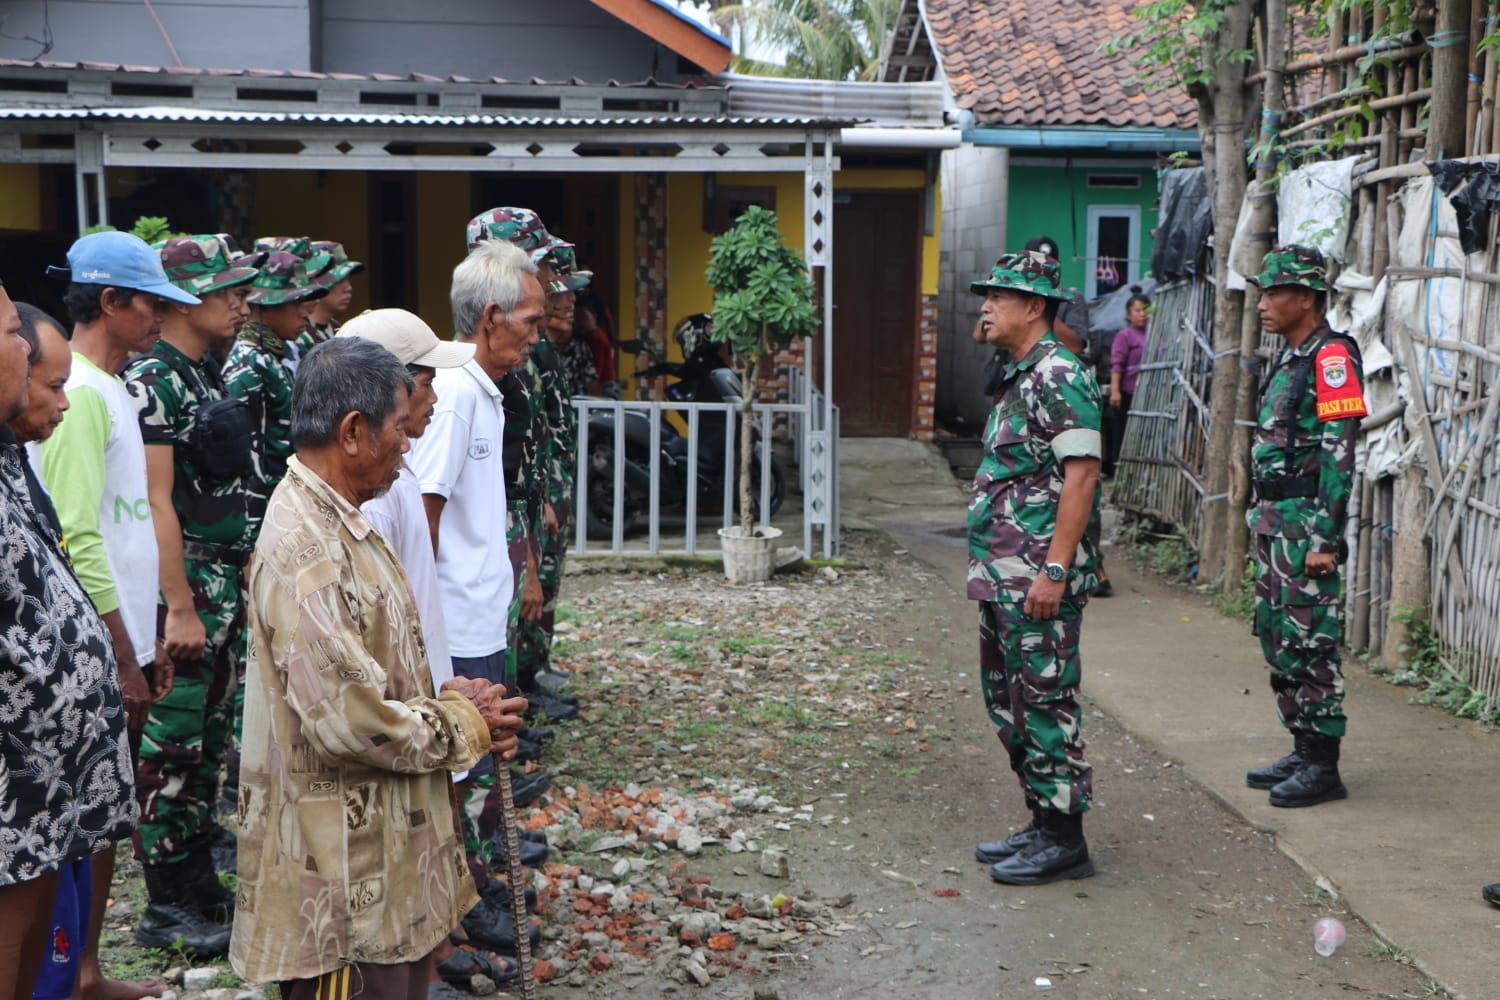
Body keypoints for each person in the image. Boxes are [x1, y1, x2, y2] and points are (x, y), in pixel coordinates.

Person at [229, 336, 526, 993]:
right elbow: (350, 722)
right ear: (354, 432)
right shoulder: (306, 550)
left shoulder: (347, 520)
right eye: (400, 426)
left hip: (385, 861)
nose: (409, 442)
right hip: (341, 885)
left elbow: (374, 670)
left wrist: (449, 694)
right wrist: (462, 723)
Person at [37, 234, 195, 960]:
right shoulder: (82, 397)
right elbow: (77, 535)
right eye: (152, 302)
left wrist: (152, 633)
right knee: (90, 815)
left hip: (125, 634)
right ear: (109, 302)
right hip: (98, 644)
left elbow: (126, 523)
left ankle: (89, 965)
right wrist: (123, 653)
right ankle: (75, 966)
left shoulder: (111, 388)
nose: (162, 316)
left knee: (110, 813)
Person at [121, 236, 262, 955]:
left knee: (206, 749)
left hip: (218, 587)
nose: (242, 303)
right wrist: (177, 604)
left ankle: (199, 882)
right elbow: (154, 501)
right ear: (185, 297)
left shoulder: (202, 374)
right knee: (171, 750)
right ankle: (166, 903)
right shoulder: (154, 379)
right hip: (185, 593)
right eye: (227, 290)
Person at [0, 279, 137, 1000]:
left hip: (44, 788)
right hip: (13, 793)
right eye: (9, 333)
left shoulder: (11, 459)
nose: (20, 344)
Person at [966, 250, 1103, 886]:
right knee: (1009, 701)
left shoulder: (1060, 374)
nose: (986, 305)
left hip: (1034, 574)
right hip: (1005, 571)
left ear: (1035, 307)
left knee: (1046, 701)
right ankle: (1042, 819)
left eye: (1000, 295)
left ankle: (1066, 839)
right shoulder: (1022, 372)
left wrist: (1054, 569)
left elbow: (1082, 476)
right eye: (986, 295)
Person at [1243, 244, 1365, 808]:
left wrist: (1325, 540)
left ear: (1306, 298)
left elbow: (1341, 454)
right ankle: (1302, 743)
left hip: (1305, 527)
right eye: (1262, 293)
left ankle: (1324, 765)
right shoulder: (1291, 358)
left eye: (1273, 293)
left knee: (1310, 640)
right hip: (1276, 522)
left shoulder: (1332, 357)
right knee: (1277, 635)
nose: (1263, 304)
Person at [224, 250, 330, 542]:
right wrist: (252, 541)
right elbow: (250, 460)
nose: (304, 311)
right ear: (266, 308)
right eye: (294, 302)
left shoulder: (278, 354)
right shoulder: (250, 364)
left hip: (291, 508)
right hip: (271, 517)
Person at [1105, 290, 1150, 478]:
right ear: (1129, 314)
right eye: (1137, 310)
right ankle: (1118, 472)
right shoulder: (1125, 335)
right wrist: (1115, 391)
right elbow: (1117, 364)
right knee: (1122, 432)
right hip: (1128, 392)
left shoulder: (1154, 334)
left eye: (1145, 310)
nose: (1142, 314)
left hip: (1149, 393)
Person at [302, 241, 364, 350]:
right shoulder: (299, 336)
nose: (348, 288)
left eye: (347, 279)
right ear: (314, 281)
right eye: (339, 280)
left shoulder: (341, 331)